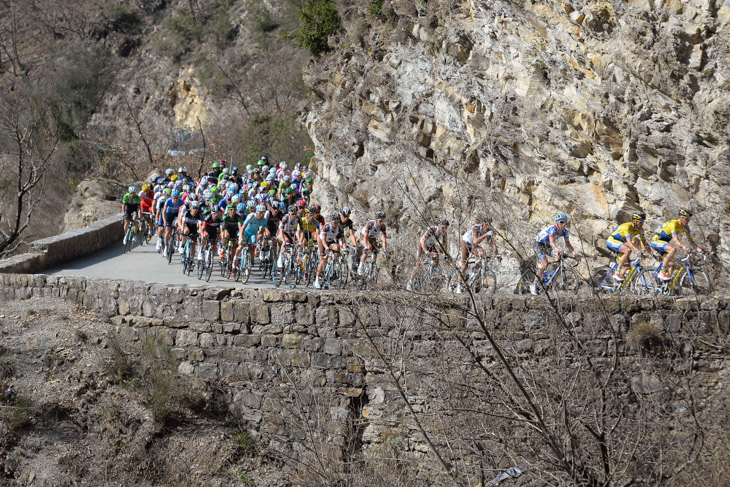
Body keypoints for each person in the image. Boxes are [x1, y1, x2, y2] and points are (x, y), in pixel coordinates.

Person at [531, 212, 580, 295]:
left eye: (565, 222)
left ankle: (550, 278)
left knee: (558, 258)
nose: (563, 224)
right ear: (557, 222)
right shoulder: (552, 229)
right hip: (538, 244)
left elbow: (568, 245)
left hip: (547, 246)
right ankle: (533, 285)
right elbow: (552, 243)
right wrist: (558, 250)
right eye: (561, 222)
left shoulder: (565, 231)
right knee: (545, 263)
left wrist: (575, 254)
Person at [651, 207, 703, 280]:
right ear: (680, 218)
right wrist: (685, 248)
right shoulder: (674, 223)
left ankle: (665, 285)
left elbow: (691, 241)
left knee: (672, 265)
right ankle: (662, 272)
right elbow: (675, 239)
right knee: (673, 249)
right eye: (686, 219)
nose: (688, 221)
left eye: (689, 220)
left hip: (664, 244)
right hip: (656, 241)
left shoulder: (686, 228)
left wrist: (700, 250)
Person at [457, 216, 500, 293]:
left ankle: (475, 271)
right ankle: (459, 286)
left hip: (473, 246)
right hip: (465, 243)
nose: (487, 227)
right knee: (464, 266)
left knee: (482, 254)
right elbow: (475, 241)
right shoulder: (476, 228)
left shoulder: (488, 230)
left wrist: (497, 255)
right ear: (483, 224)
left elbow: (493, 244)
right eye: (486, 225)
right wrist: (485, 235)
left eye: (489, 225)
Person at [407, 219, 450, 290]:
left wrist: (445, 255)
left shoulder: (444, 233)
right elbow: (422, 240)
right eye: (443, 227)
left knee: (436, 258)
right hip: (422, 245)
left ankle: (430, 274)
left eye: (446, 228)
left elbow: (444, 245)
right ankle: (410, 281)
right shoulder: (432, 229)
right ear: (439, 226)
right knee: (418, 264)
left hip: (431, 246)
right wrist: (426, 251)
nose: (444, 229)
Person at [606, 212, 648, 280]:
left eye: (643, 223)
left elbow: (645, 244)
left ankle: (619, 284)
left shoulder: (640, 230)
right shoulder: (627, 226)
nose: (642, 225)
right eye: (640, 223)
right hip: (611, 241)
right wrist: (637, 252)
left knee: (627, 265)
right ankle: (617, 272)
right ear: (634, 221)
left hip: (620, 244)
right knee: (628, 250)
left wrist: (652, 255)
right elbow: (629, 242)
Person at [314, 213, 348, 289]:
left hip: (331, 241)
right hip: (322, 241)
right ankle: (316, 280)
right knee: (322, 261)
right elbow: (323, 239)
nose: (336, 224)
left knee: (337, 248)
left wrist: (345, 249)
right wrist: (326, 248)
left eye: (337, 222)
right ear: (331, 221)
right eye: (334, 222)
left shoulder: (340, 228)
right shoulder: (327, 227)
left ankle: (331, 265)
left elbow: (343, 239)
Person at [358, 211, 388, 276]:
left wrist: (385, 249)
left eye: (383, 220)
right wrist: (366, 247)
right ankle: (361, 266)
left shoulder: (383, 226)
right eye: (381, 220)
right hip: (364, 236)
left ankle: (370, 275)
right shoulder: (370, 224)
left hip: (372, 238)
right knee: (369, 247)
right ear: (377, 220)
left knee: (375, 253)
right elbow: (365, 236)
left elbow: (384, 239)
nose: (382, 222)